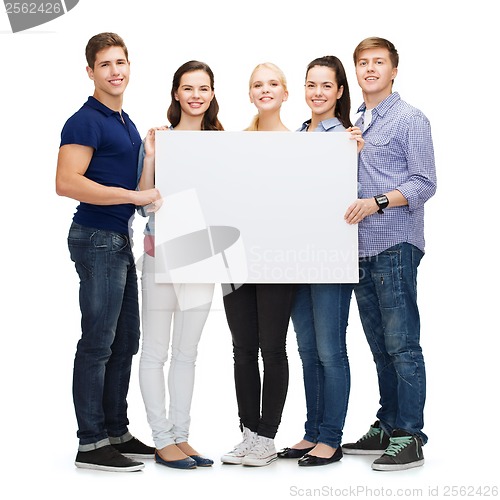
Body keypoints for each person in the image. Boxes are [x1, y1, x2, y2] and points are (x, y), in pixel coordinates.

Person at [55, 32, 161, 472]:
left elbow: (139, 190)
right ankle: (91, 443)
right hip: (96, 237)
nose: (115, 71)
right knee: (98, 343)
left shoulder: (125, 122)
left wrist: (150, 157)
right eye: (105, 65)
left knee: (125, 341)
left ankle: (116, 430)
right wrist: (132, 198)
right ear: (90, 72)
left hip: (118, 239)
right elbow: (67, 182)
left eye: (121, 62)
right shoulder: (85, 120)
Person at [343, 37, 437, 471]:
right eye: (363, 62)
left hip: (395, 243)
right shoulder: (357, 122)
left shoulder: (409, 119)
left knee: (402, 345)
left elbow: (424, 182)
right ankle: (387, 423)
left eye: (379, 62)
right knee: (380, 345)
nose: (370, 69)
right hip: (359, 248)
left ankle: (410, 435)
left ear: (394, 70)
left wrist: (378, 201)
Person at [276, 56, 363, 467]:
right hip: (297, 257)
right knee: (307, 350)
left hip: (330, 256)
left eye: (327, 86)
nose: (318, 93)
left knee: (331, 350)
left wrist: (354, 153)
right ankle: (312, 432)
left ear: (340, 91)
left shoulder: (346, 138)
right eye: (311, 84)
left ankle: (332, 437)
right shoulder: (295, 136)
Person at [137, 60, 223, 470]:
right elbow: (142, 202)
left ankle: (181, 435)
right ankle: (160, 438)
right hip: (160, 253)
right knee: (155, 350)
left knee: (187, 352)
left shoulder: (223, 141)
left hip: (201, 259)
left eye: (203, 88)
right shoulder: (160, 139)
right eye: (187, 88)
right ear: (176, 93)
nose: (195, 95)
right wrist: (152, 157)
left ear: (212, 94)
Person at [220, 63, 296, 467]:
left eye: (272, 84)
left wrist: (347, 150)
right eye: (257, 85)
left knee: (272, 348)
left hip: (279, 261)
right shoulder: (235, 143)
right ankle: (248, 433)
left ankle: (267, 436)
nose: (264, 90)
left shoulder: (303, 143)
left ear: (285, 93)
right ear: (250, 95)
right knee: (242, 349)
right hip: (235, 261)